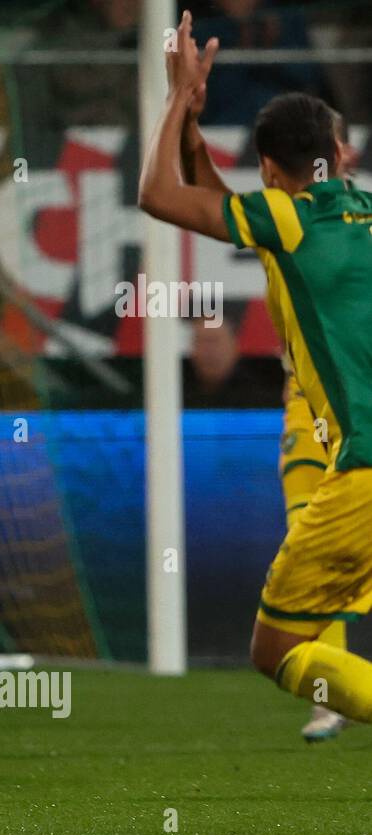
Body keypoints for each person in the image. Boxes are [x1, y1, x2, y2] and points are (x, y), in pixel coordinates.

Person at [140, 11, 372, 728]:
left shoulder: (289, 219)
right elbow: (215, 196)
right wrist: (194, 128)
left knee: (275, 649)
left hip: (364, 470)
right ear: (341, 152)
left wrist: (178, 98)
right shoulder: (354, 207)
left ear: (271, 173)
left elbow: (162, 197)